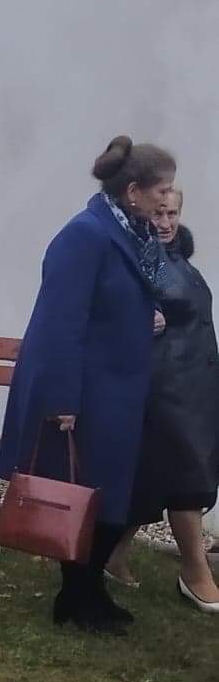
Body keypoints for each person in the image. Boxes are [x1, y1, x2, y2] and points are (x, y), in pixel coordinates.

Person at [0, 137, 175, 632]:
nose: (167, 200)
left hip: (119, 391)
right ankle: (78, 596)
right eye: (162, 190)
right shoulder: (86, 235)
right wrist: (61, 398)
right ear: (133, 191)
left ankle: (88, 590)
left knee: (112, 500)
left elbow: (123, 299)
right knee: (83, 499)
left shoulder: (134, 234)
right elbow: (60, 322)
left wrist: (146, 318)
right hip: (87, 393)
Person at [103, 190, 219, 611]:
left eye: (172, 213)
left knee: (151, 477)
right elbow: (110, 305)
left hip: (195, 386)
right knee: (189, 477)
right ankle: (195, 572)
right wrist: (136, 317)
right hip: (164, 386)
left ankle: (112, 555)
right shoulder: (137, 257)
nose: (166, 222)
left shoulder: (177, 257)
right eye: (159, 213)